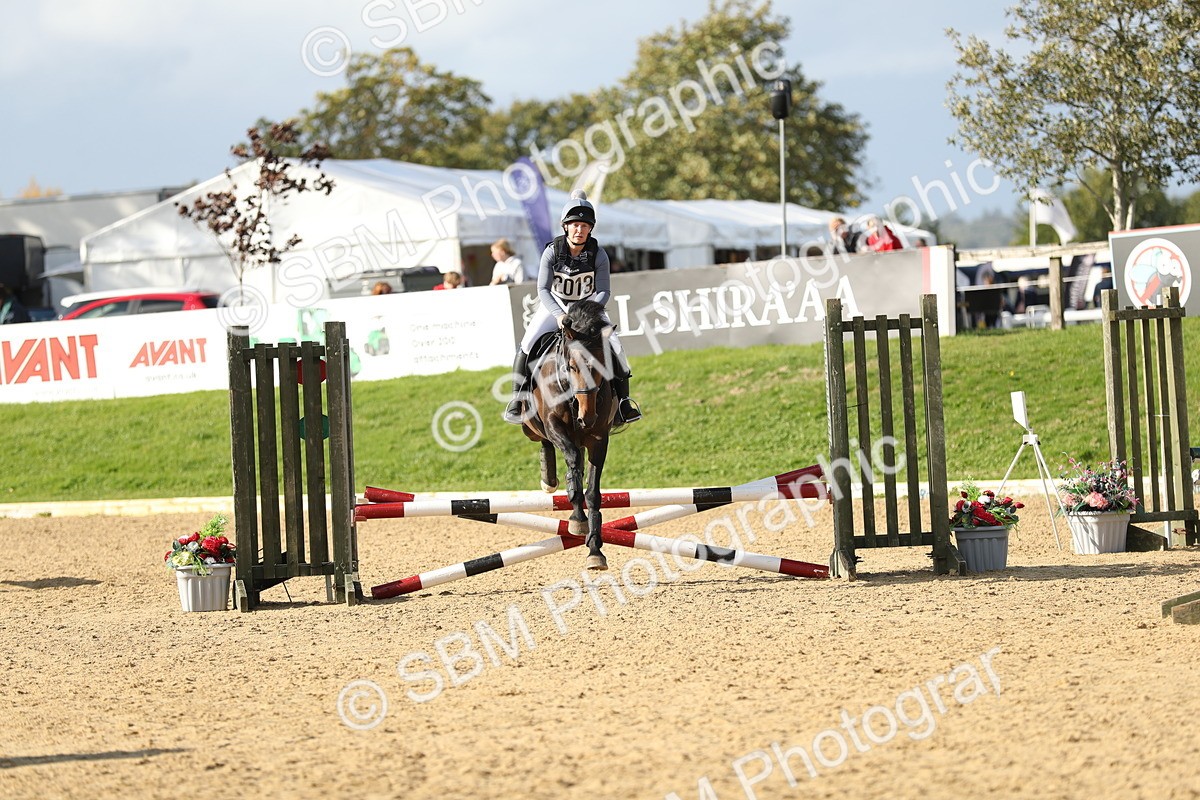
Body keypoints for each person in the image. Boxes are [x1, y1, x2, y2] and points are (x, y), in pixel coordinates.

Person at [503, 190, 641, 425]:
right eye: (575, 225)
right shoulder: (552, 252)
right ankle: (517, 399)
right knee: (527, 343)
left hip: (588, 307)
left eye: (585, 226)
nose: (579, 230)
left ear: (591, 228)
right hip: (555, 306)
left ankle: (624, 402)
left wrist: (588, 312)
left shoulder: (598, 254)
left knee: (616, 345)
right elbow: (543, 290)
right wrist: (559, 314)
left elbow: (604, 291)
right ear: (565, 226)